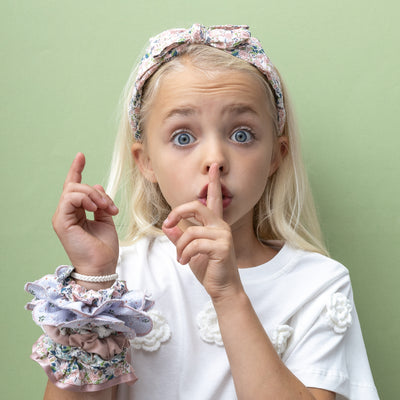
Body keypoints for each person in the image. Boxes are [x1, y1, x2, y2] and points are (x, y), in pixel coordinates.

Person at [25, 24, 379, 399]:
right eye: (183, 137)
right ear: (145, 162)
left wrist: (227, 294)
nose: (215, 160)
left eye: (241, 135)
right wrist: (93, 278)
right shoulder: (119, 279)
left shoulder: (317, 285)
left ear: (276, 155)